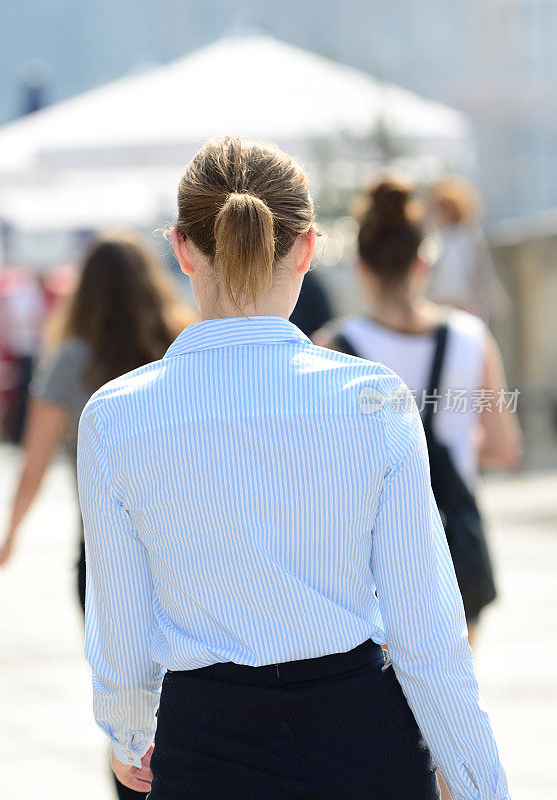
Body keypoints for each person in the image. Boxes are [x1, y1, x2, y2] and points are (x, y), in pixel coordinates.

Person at [77, 137, 512, 800]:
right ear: (308, 248)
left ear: (183, 248)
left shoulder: (114, 418)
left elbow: (121, 624)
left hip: (203, 743)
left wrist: (128, 732)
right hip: (364, 737)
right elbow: (428, 637)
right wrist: (482, 786)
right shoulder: (373, 401)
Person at [0, 231, 195, 800]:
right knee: (194, 683)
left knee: (127, 698)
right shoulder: (179, 342)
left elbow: (33, 464)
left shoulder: (70, 359)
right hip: (187, 544)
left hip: (104, 551)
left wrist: (9, 535)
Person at [313, 175, 522, 653]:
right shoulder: (471, 337)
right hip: (455, 553)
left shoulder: (333, 351)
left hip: (370, 565)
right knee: (453, 706)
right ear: (424, 261)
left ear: (361, 265)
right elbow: (506, 448)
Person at [425, 175, 510, 324]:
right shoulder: (435, 238)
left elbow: (482, 271)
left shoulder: (469, 236)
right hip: (442, 308)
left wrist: (493, 302)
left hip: (469, 307)